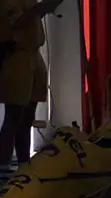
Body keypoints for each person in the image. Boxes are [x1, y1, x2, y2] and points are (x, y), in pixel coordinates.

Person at [0, 0, 65, 174]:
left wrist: (46, 7)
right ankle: (3, 167)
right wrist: (39, 8)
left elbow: (32, 16)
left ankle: (24, 164)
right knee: (14, 114)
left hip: (35, 54)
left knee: (28, 115)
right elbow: (17, 22)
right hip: (17, 55)